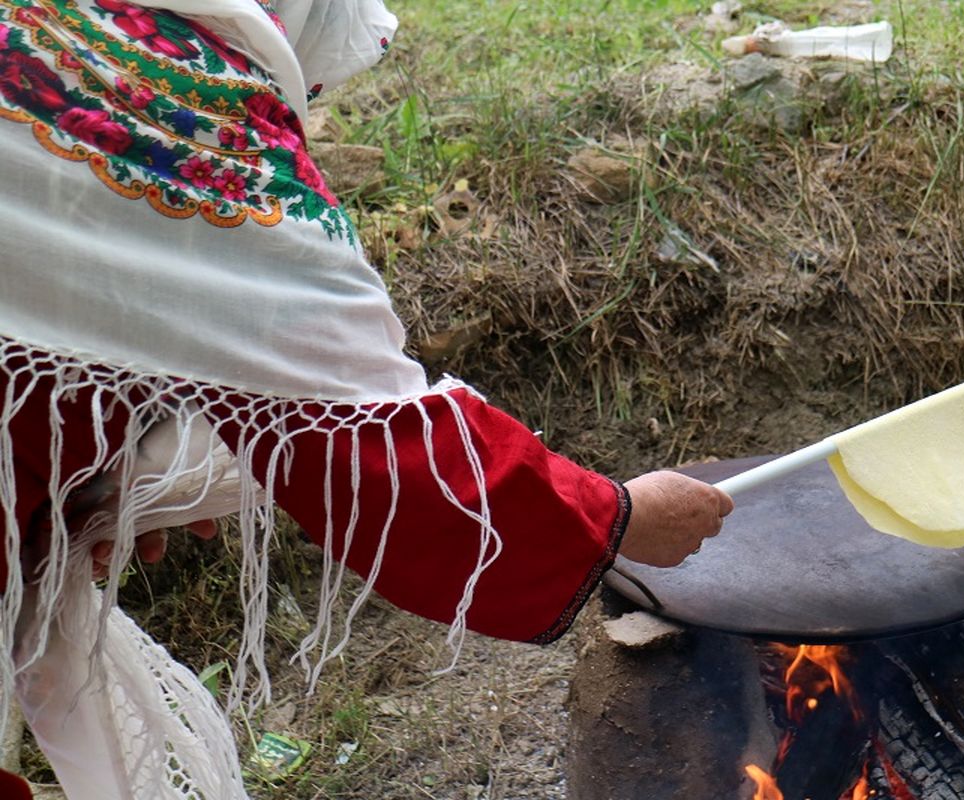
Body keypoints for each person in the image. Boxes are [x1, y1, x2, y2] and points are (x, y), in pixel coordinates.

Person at [0, 1, 733, 797]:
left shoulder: (49, 27)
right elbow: (384, 443)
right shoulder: (193, 118)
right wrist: (615, 517)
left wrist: (62, 498)